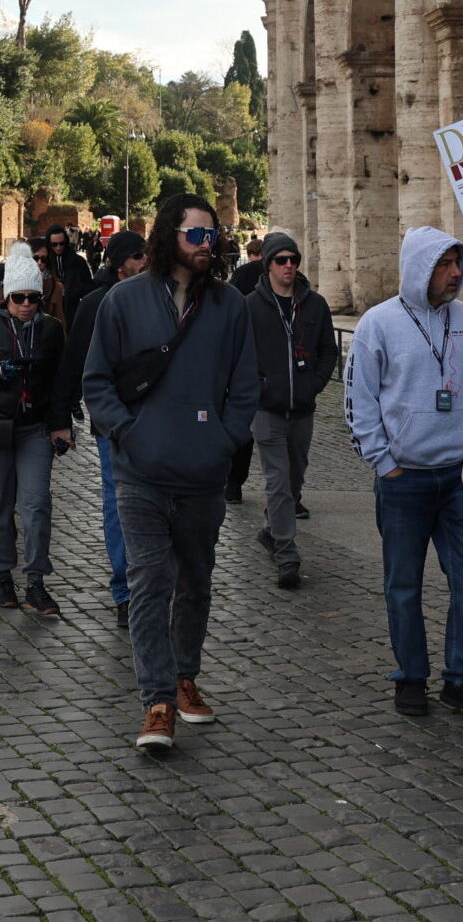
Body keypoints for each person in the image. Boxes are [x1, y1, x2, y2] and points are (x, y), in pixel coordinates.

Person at [83, 195, 258, 753]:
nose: (208, 245)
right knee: (148, 582)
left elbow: (247, 387)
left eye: (214, 236)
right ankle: (157, 700)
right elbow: (97, 381)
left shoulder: (231, 306)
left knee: (196, 582)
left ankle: (186, 676)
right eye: (196, 235)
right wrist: (126, 432)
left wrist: (224, 442)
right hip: (140, 473)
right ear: (169, 236)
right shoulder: (124, 300)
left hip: (203, 474)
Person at [345, 226, 463, 721]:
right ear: (419, 267)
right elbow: (359, 398)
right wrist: (384, 462)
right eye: (444, 264)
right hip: (405, 479)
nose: (456, 273)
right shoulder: (378, 323)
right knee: (403, 584)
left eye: (459, 263)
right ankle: (410, 676)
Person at [0, 243, 72, 618]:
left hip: (33, 425)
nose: (25, 304)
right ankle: (2, 573)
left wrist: (61, 425)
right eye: (18, 297)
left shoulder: (51, 330)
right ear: (7, 297)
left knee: (36, 504)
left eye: (32, 298)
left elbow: (59, 381)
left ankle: (36, 580)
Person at [60, 230, 147, 630]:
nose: (144, 261)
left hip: (156, 421)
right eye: (137, 256)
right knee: (118, 503)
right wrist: (60, 418)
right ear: (118, 264)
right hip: (111, 424)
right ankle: (125, 592)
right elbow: (74, 364)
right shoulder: (94, 304)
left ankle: (152, 585)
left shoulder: (160, 298)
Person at [245, 230, 339, 589]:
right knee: (278, 481)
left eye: (293, 260)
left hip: (303, 408)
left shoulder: (314, 304)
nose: (289, 266)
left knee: (295, 478)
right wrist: (261, 386)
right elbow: (240, 354)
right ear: (268, 264)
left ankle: (272, 530)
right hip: (266, 411)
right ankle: (287, 553)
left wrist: (313, 385)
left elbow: (329, 350)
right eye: (281, 260)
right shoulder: (251, 306)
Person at [43, 223, 93, 317]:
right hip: (50, 311)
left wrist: (75, 290)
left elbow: (89, 285)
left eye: (61, 244)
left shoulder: (78, 261)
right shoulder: (45, 261)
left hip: (72, 310)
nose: (58, 247)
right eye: (54, 244)